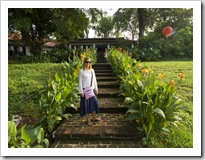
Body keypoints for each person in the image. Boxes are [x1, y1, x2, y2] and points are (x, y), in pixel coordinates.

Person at [79, 57, 101, 126]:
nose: (88, 63)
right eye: (86, 62)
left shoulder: (92, 70)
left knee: (94, 103)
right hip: (84, 90)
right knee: (86, 106)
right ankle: (87, 120)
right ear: (84, 62)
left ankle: (94, 117)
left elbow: (94, 80)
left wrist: (96, 88)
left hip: (91, 90)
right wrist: (81, 91)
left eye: (89, 62)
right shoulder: (81, 71)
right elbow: (80, 82)